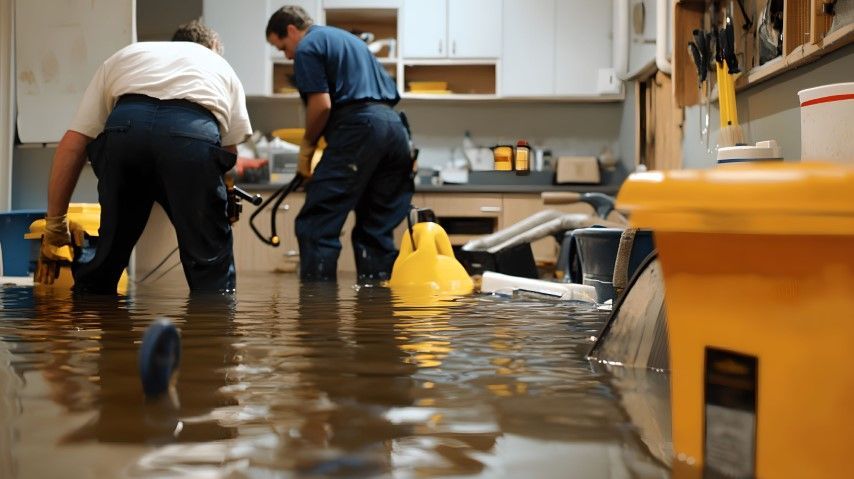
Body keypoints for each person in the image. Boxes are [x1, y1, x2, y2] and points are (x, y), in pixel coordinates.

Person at [37, 20, 252, 294]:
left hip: (125, 130)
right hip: (190, 137)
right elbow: (228, 154)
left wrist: (55, 224)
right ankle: (211, 332)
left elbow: (73, 143)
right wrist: (220, 204)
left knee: (107, 260)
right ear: (212, 48)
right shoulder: (218, 64)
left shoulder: (129, 54)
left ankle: (84, 325)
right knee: (211, 270)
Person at [266, 6, 415, 282]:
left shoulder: (308, 46)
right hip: (395, 130)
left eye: (282, 47)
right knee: (376, 228)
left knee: (316, 225)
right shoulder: (350, 42)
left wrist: (308, 146)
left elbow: (321, 106)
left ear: (291, 30)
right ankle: (377, 314)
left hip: (360, 129)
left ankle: (318, 317)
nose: (287, 55)